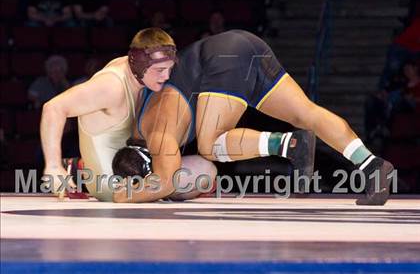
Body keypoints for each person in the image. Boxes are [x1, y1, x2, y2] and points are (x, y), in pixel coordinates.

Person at [113, 30, 394, 205]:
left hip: (224, 58)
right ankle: (372, 165)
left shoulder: (157, 128)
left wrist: (123, 195)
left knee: (210, 146)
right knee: (305, 112)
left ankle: (288, 145)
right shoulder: (149, 113)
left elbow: (165, 182)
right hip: (244, 47)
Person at [40, 28, 210, 202]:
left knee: (202, 168)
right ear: (141, 63)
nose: (166, 76)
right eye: (160, 70)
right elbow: (53, 107)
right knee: (204, 172)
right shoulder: (111, 86)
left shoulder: (136, 70)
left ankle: (80, 167)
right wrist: (53, 167)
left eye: (169, 69)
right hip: (111, 185)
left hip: (133, 163)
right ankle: (82, 169)